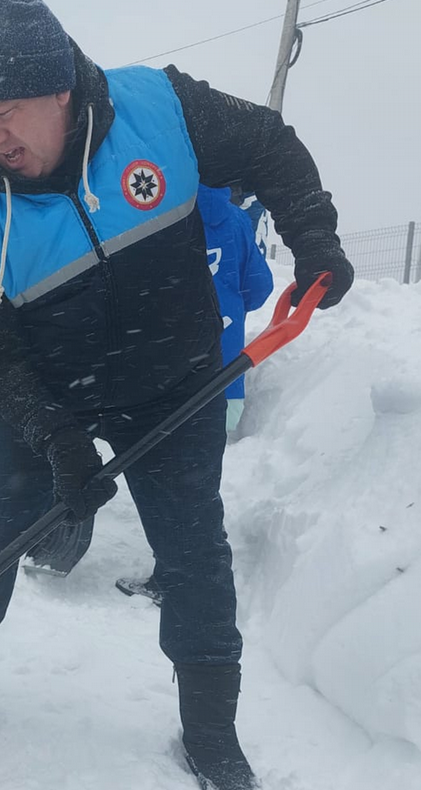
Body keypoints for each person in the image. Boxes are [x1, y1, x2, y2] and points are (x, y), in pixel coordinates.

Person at [0, 0, 354, 790]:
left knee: (195, 552)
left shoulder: (158, 110)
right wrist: (58, 441)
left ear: (59, 87)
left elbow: (270, 145)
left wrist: (313, 237)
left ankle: (210, 731)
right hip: (45, 388)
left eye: (8, 112)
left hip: (175, 378)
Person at [30, 181, 274, 584]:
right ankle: (187, 572)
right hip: (225, 377)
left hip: (161, 372)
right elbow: (259, 287)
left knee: (128, 467)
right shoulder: (234, 220)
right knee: (195, 481)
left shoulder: (152, 213)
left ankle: (165, 569)